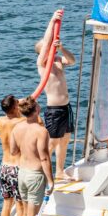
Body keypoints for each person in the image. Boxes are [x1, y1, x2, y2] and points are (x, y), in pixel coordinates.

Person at [10, 96, 54, 216]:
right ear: (36, 110)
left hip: (22, 174)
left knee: (26, 213)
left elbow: (13, 151)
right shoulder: (41, 131)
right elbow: (44, 158)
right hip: (35, 175)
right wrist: (51, 181)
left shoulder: (17, 128)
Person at [36, 10, 76, 180]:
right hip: (54, 109)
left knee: (65, 140)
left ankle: (60, 171)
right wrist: (52, 22)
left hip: (66, 108)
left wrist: (61, 48)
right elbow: (46, 44)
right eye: (49, 48)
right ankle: (40, 170)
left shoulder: (58, 61)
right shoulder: (42, 64)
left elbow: (72, 60)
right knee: (52, 142)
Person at [0, 94, 26, 216]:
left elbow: (12, 112)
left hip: (4, 167)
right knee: (20, 206)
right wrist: (21, 104)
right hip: (17, 168)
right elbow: (33, 117)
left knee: (6, 204)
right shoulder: (20, 121)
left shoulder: (0, 121)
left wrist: (14, 105)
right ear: (15, 108)